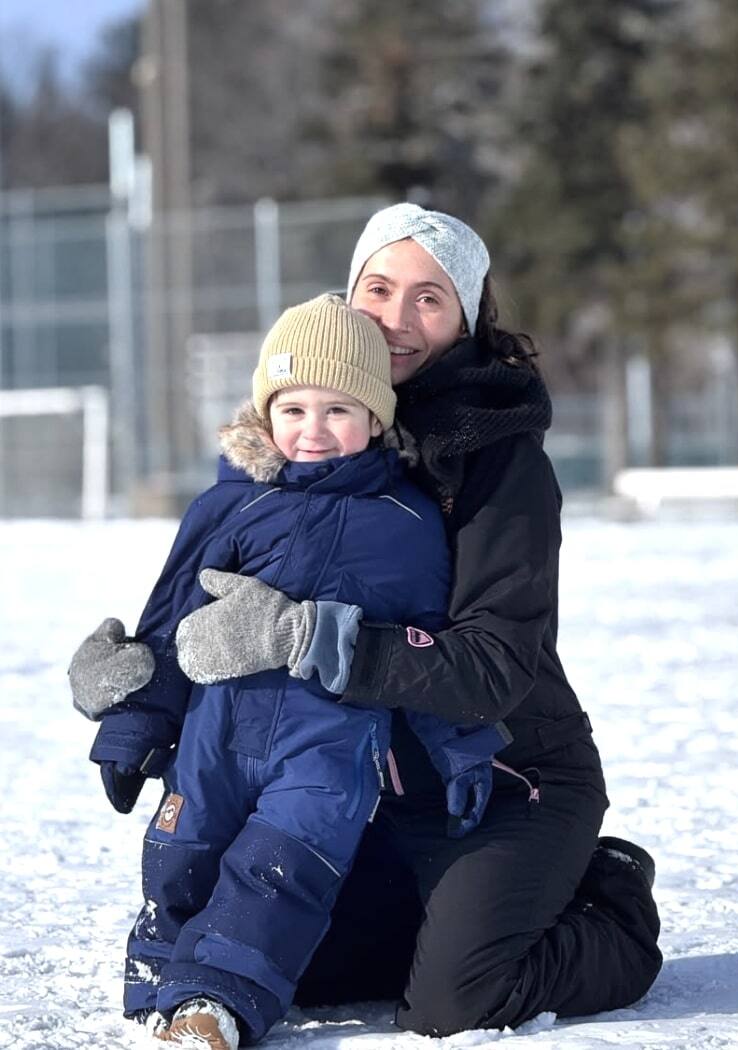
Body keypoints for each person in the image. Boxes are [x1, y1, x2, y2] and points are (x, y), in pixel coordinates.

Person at [69, 203, 662, 1039]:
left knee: (453, 1001)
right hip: (373, 783)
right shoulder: (308, 430)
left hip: (505, 773)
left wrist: (307, 637)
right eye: (379, 289)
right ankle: (456, 912)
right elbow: (194, 613)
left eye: (430, 298)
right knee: (289, 962)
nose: (397, 316)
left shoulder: (499, 457)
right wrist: (134, 694)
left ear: (466, 319)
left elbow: (493, 665)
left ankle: (611, 901)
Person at [82, 293, 509, 1048]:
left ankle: (213, 1005)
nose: (313, 430)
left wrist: (462, 747)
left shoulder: (407, 525)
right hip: (216, 733)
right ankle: (160, 980)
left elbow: (428, 645)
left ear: (375, 417)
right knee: (181, 853)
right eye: (293, 409)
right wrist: (132, 727)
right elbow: (170, 625)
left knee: (281, 866)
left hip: (329, 744)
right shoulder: (229, 506)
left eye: (338, 410)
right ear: (265, 413)